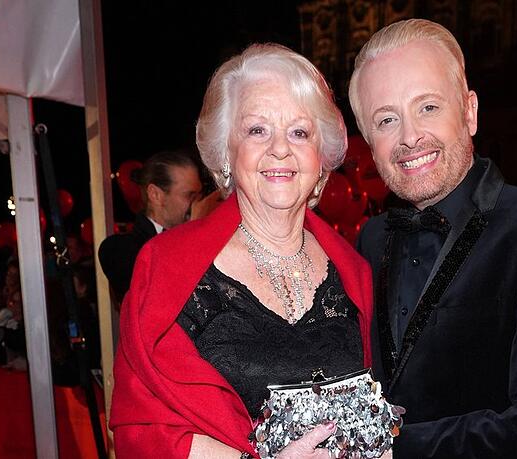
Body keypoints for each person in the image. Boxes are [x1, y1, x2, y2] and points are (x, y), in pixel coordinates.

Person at [350, 18, 517, 458]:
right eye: (387, 119)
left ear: (469, 112)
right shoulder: (370, 241)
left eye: (428, 107)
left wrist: (390, 448)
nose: (410, 137)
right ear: (370, 143)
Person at [110, 43, 375, 458]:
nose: (280, 148)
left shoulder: (355, 272)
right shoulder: (165, 267)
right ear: (226, 152)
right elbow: (142, 431)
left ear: (320, 158)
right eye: (257, 130)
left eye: (299, 132)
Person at [98, 149, 202, 307]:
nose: (197, 202)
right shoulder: (119, 249)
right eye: (189, 195)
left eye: (199, 195)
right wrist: (194, 235)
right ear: (155, 195)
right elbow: (158, 296)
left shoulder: (204, 239)